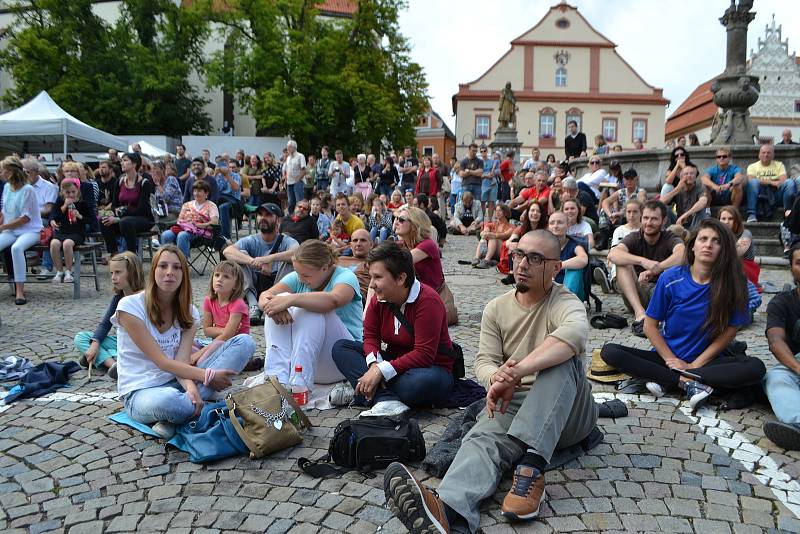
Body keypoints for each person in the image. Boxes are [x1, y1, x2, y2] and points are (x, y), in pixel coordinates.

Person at [384, 229, 597, 532]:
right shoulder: (496, 308)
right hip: (515, 402)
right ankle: (447, 512)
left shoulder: (566, 302)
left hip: (568, 411)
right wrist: (496, 377)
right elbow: (483, 361)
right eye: (519, 254)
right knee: (479, 439)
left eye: (535, 258)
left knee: (562, 362)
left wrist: (516, 371)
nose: (522, 264)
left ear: (555, 267)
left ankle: (532, 468)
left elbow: (573, 336)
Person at [601, 219, 765, 412]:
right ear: (693, 246)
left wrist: (695, 365)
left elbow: (730, 330)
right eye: (703, 239)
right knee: (610, 351)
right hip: (666, 358)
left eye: (716, 241)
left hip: (707, 362)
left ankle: (669, 380)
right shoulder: (670, 278)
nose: (708, 244)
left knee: (756, 367)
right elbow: (650, 326)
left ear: (724, 249)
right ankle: (685, 382)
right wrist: (672, 361)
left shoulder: (733, 283)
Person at [113, 245, 255, 438]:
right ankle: (193, 405)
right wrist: (207, 375)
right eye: (163, 266)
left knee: (245, 342)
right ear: (153, 270)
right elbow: (161, 362)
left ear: (183, 274)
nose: (170, 272)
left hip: (178, 380)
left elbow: (180, 363)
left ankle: (179, 413)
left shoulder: (189, 311)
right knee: (170, 401)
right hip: (141, 393)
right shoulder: (130, 306)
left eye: (177, 267)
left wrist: (190, 386)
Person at [332, 242, 454, 417]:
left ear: (400, 278)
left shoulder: (428, 301)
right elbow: (370, 336)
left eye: (378, 277)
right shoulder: (380, 298)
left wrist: (381, 371)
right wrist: (374, 365)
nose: (372, 284)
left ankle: (364, 390)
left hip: (430, 368)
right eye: (371, 277)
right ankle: (385, 399)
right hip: (394, 365)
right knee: (341, 348)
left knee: (419, 383)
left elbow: (424, 354)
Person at [258, 240, 362, 386]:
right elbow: (264, 297)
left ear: (325, 268)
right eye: (298, 273)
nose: (300, 279)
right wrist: (273, 307)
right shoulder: (300, 276)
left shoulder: (346, 277)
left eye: (306, 276)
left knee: (310, 306)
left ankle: (300, 385)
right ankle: (277, 380)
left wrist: (291, 300)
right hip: (306, 364)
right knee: (279, 299)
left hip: (343, 360)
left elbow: (334, 300)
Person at [607, 200, 685, 337]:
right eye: (646, 218)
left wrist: (658, 267)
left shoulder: (669, 237)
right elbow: (613, 254)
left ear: (664, 220)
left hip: (660, 292)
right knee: (622, 262)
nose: (649, 223)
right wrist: (643, 261)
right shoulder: (634, 237)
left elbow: (682, 253)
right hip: (637, 293)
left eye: (654, 219)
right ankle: (640, 314)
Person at [223, 202, 299, 325]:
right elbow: (228, 251)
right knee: (240, 254)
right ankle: (253, 306)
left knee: (293, 260)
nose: (263, 217)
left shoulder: (286, 241)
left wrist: (269, 258)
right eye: (260, 214)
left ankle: (277, 302)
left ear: (278, 220)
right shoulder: (252, 239)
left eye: (268, 215)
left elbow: (298, 253)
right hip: (255, 283)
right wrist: (252, 261)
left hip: (278, 283)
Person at [74, 251, 145, 378]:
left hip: (141, 344)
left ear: (132, 273)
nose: (113, 277)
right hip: (120, 341)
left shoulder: (144, 297)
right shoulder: (118, 297)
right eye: (112, 273)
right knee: (82, 338)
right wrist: (95, 344)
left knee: (125, 354)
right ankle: (113, 365)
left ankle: (99, 358)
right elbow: (105, 324)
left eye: (118, 272)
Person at [763, 244, 800, 449]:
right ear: (791, 268)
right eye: (799, 263)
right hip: (795, 366)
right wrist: (797, 368)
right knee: (775, 378)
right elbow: (776, 342)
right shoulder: (781, 302)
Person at [0, 156, 43, 305]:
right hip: (10, 230)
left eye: (2, 170)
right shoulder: (6, 187)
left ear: (11, 172)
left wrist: (2, 227)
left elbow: (25, 218)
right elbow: (4, 210)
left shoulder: (28, 190)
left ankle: (20, 291)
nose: (0, 173)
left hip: (30, 230)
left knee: (17, 248)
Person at [100, 152, 155, 256]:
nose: (122, 163)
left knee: (125, 222)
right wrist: (113, 213)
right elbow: (114, 205)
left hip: (142, 218)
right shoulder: (119, 182)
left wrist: (118, 218)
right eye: (121, 161)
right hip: (123, 217)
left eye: (125, 161)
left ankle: (132, 255)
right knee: (102, 218)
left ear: (134, 164)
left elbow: (141, 209)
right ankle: (114, 253)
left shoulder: (145, 183)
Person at [196, 261, 250, 366]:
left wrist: (198, 354)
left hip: (235, 345)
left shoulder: (238, 304)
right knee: (191, 343)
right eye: (217, 275)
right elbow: (207, 331)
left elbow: (227, 337)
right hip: (216, 342)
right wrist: (225, 330)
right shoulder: (209, 300)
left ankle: (202, 365)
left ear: (236, 285)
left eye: (226, 277)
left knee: (203, 357)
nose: (219, 279)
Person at [160, 180, 219, 260]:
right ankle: (167, 261)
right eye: (194, 191)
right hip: (184, 228)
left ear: (206, 193)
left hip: (201, 233)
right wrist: (187, 223)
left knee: (182, 236)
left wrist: (199, 225)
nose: (196, 193)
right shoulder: (187, 205)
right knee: (165, 235)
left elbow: (214, 223)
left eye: (199, 191)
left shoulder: (211, 206)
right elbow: (179, 220)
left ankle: (182, 264)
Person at [48, 178, 92, 284]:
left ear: (78, 191)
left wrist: (80, 216)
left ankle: (68, 271)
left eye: (73, 192)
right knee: (54, 244)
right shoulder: (60, 201)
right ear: (63, 192)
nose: (71, 195)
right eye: (67, 192)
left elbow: (91, 220)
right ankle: (59, 271)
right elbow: (54, 215)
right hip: (63, 231)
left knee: (67, 244)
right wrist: (54, 219)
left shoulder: (83, 203)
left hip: (77, 232)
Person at [595, 199, 642, 294]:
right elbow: (613, 253)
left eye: (635, 212)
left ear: (641, 213)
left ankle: (610, 283)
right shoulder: (619, 230)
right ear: (625, 213)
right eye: (629, 212)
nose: (632, 215)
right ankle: (612, 282)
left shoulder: (644, 230)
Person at [394, 206, 444, 291]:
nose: (396, 223)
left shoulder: (428, 245)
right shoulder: (403, 244)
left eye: (401, 220)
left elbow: (398, 262)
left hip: (433, 297)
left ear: (414, 225)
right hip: (416, 293)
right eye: (396, 219)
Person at [547, 210, 589, 298]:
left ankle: (566, 302)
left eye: (560, 223)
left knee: (574, 269)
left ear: (568, 225)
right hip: (550, 288)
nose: (555, 226)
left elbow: (583, 259)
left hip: (573, 292)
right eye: (552, 223)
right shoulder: (544, 245)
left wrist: (558, 266)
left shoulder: (574, 244)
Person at [746, 143, 790, 222]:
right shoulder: (752, 166)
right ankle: (752, 214)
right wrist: (771, 182)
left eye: (768, 153)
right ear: (759, 154)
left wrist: (762, 181)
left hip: (776, 193)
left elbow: (783, 180)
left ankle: (787, 212)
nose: (766, 155)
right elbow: (751, 180)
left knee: (789, 183)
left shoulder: (779, 165)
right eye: (763, 152)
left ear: (773, 155)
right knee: (753, 183)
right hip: (759, 194)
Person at [718, 206, 760, 288]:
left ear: (736, 221)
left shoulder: (746, 234)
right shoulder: (717, 234)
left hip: (745, 269)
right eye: (723, 219)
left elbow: (736, 253)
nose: (726, 222)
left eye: (730, 219)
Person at [660, 164, 709, 230]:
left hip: (694, 223)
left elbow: (703, 202)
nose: (689, 175)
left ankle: (692, 235)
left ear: (695, 177)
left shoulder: (700, 188)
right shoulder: (678, 190)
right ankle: (666, 234)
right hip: (678, 222)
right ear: (681, 178)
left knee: (702, 211)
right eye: (686, 174)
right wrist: (676, 190)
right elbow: (661, 202)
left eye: (692, 173)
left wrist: (686, 214)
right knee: (664, 208)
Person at [473, 204, 515, 269]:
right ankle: (477, 258)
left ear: (506, 213)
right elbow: (483, 233)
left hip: (502, 252)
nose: (497, 212)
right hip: (491, 249)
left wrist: (491, 235)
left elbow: (505, 235)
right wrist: (487, 234)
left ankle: (486, 260)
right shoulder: (492, 224)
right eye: (496, 210)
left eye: (500, 210)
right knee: (484, 237)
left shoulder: (511, 227)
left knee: (493, 238)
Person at [338, 228, 372, 305]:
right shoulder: (339, 260)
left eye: (363, 240)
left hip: (356, 301)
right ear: (350, 245)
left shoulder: (374, 263)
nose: (358, 244)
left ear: (371, 245)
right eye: (355, 240)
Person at [282, 140, 306, 215]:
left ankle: (300, 216)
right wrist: (284, 179)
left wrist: (298, 179)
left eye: (289, 147)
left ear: (294, 147)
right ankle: (291, 216)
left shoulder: (300, 156)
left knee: (299, 201)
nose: (288, 149)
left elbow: (303, 169)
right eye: (287, 147)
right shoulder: (288, 158)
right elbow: (287, 170)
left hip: (298, 181)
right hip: (289, 182)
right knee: (290, 201)